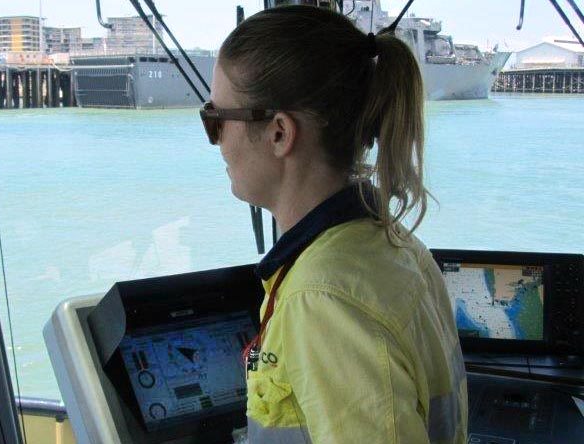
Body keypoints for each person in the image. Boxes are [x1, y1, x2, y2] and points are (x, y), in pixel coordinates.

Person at [199, 5, 467, 443]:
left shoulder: (323, 298)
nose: (216, 144)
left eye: (215, 121)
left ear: (280, 133)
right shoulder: (395, 245)